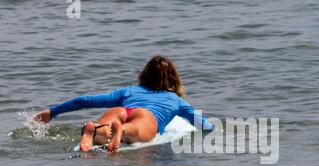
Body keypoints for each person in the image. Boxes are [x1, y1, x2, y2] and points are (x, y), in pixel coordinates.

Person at [34, 55, 214, 152]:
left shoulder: (128, 91)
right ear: (174, 79)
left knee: (104, 127)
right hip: (146, 116)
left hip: (122, 110)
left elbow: (85, 100)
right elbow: (204, 126)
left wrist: (53, 112)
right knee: (133, 129)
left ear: (145, 74)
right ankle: (122, 130)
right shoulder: (175, 100)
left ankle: (94, 128)